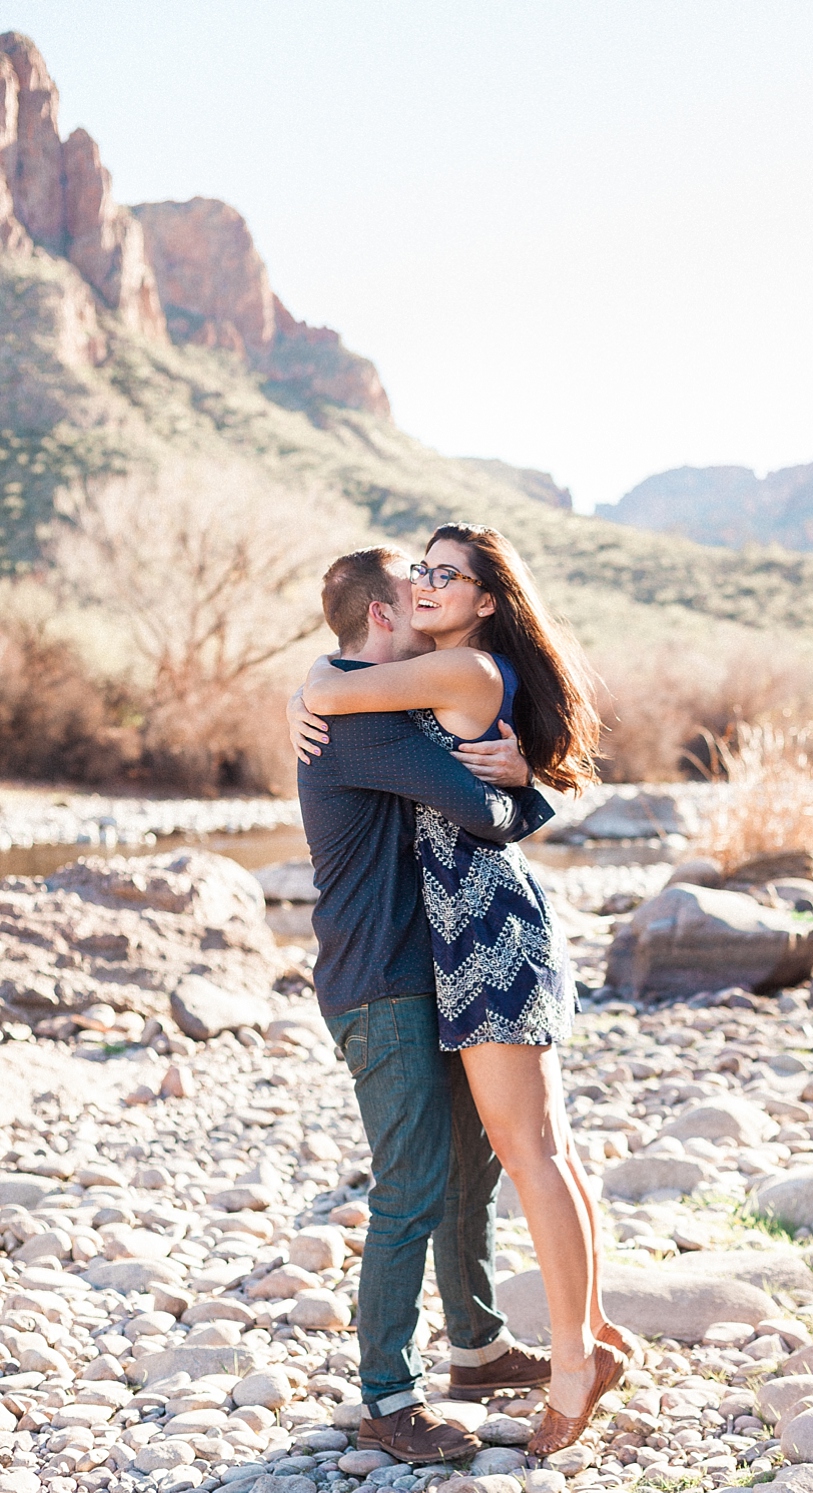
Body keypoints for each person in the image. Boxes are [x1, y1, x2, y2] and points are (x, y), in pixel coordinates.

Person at [299, 523, 636, 1456]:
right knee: (471, 1168)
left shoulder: (433, 684)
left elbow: (473, 803)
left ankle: (517, 1350)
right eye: (421, 578)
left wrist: (522, 791)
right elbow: (474, 803)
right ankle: (411, 1385)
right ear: (385, 610)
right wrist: (523, 794)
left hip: (466, 946)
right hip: (416, 963)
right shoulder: (365, 713)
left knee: (508, 1158)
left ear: (486, 598)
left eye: (448, 575)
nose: (431, 588)